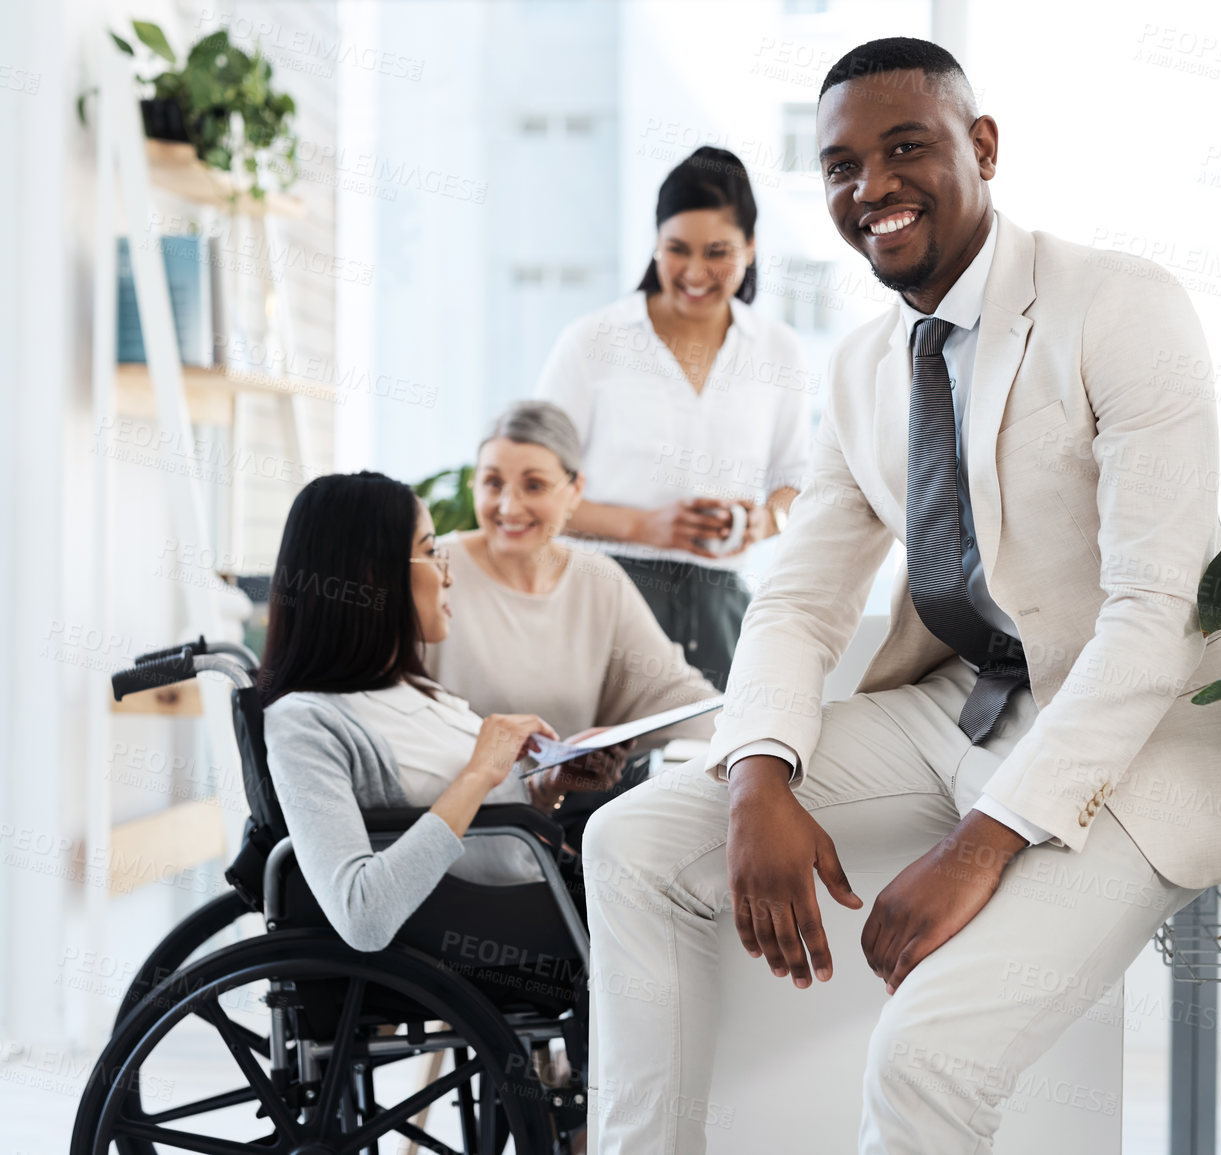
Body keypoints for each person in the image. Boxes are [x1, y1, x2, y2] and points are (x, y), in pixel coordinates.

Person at [582, 38, 1221, 1154]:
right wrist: (757, 775)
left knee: (924, 1058)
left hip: (1157, 731)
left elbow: (1156, 610)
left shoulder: (1118, 305)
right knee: (627, 842)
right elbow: (798, 602)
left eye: (904, 146)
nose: (870, 186)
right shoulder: (866, 369)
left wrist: (983, 842)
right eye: (839, 166)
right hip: (968, 705)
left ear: (983, 147)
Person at [257, 471, 622, 953]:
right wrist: (478, 774)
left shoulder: (412, 689)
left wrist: (546, 785)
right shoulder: (306, 722)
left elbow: (481, 833)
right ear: (372, 574)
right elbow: (362, 914)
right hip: (511, 938)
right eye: (431, 552)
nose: (448, 574)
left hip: (553, 897)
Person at [536, 146, 813, 691]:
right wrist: (648, 527)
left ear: (752, 248)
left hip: (722, 606)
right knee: (603, 772)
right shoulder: (593, 341)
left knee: (718, 767)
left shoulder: (780, 351)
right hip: (605, 593)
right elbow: (537, 491)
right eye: (676, 249)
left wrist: (765, 522)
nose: (693, 272)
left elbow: (796, 482)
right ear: (655, 244)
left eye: (717, 252)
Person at [425, 401, 721, 842]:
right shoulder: (433, 568)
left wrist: (764, 738)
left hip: (554, 828)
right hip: (448, 823)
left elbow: (679, 698)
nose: (509, 505)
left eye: (534, 485)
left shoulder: (599, 581)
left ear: (575, 491)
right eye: (492, 483)